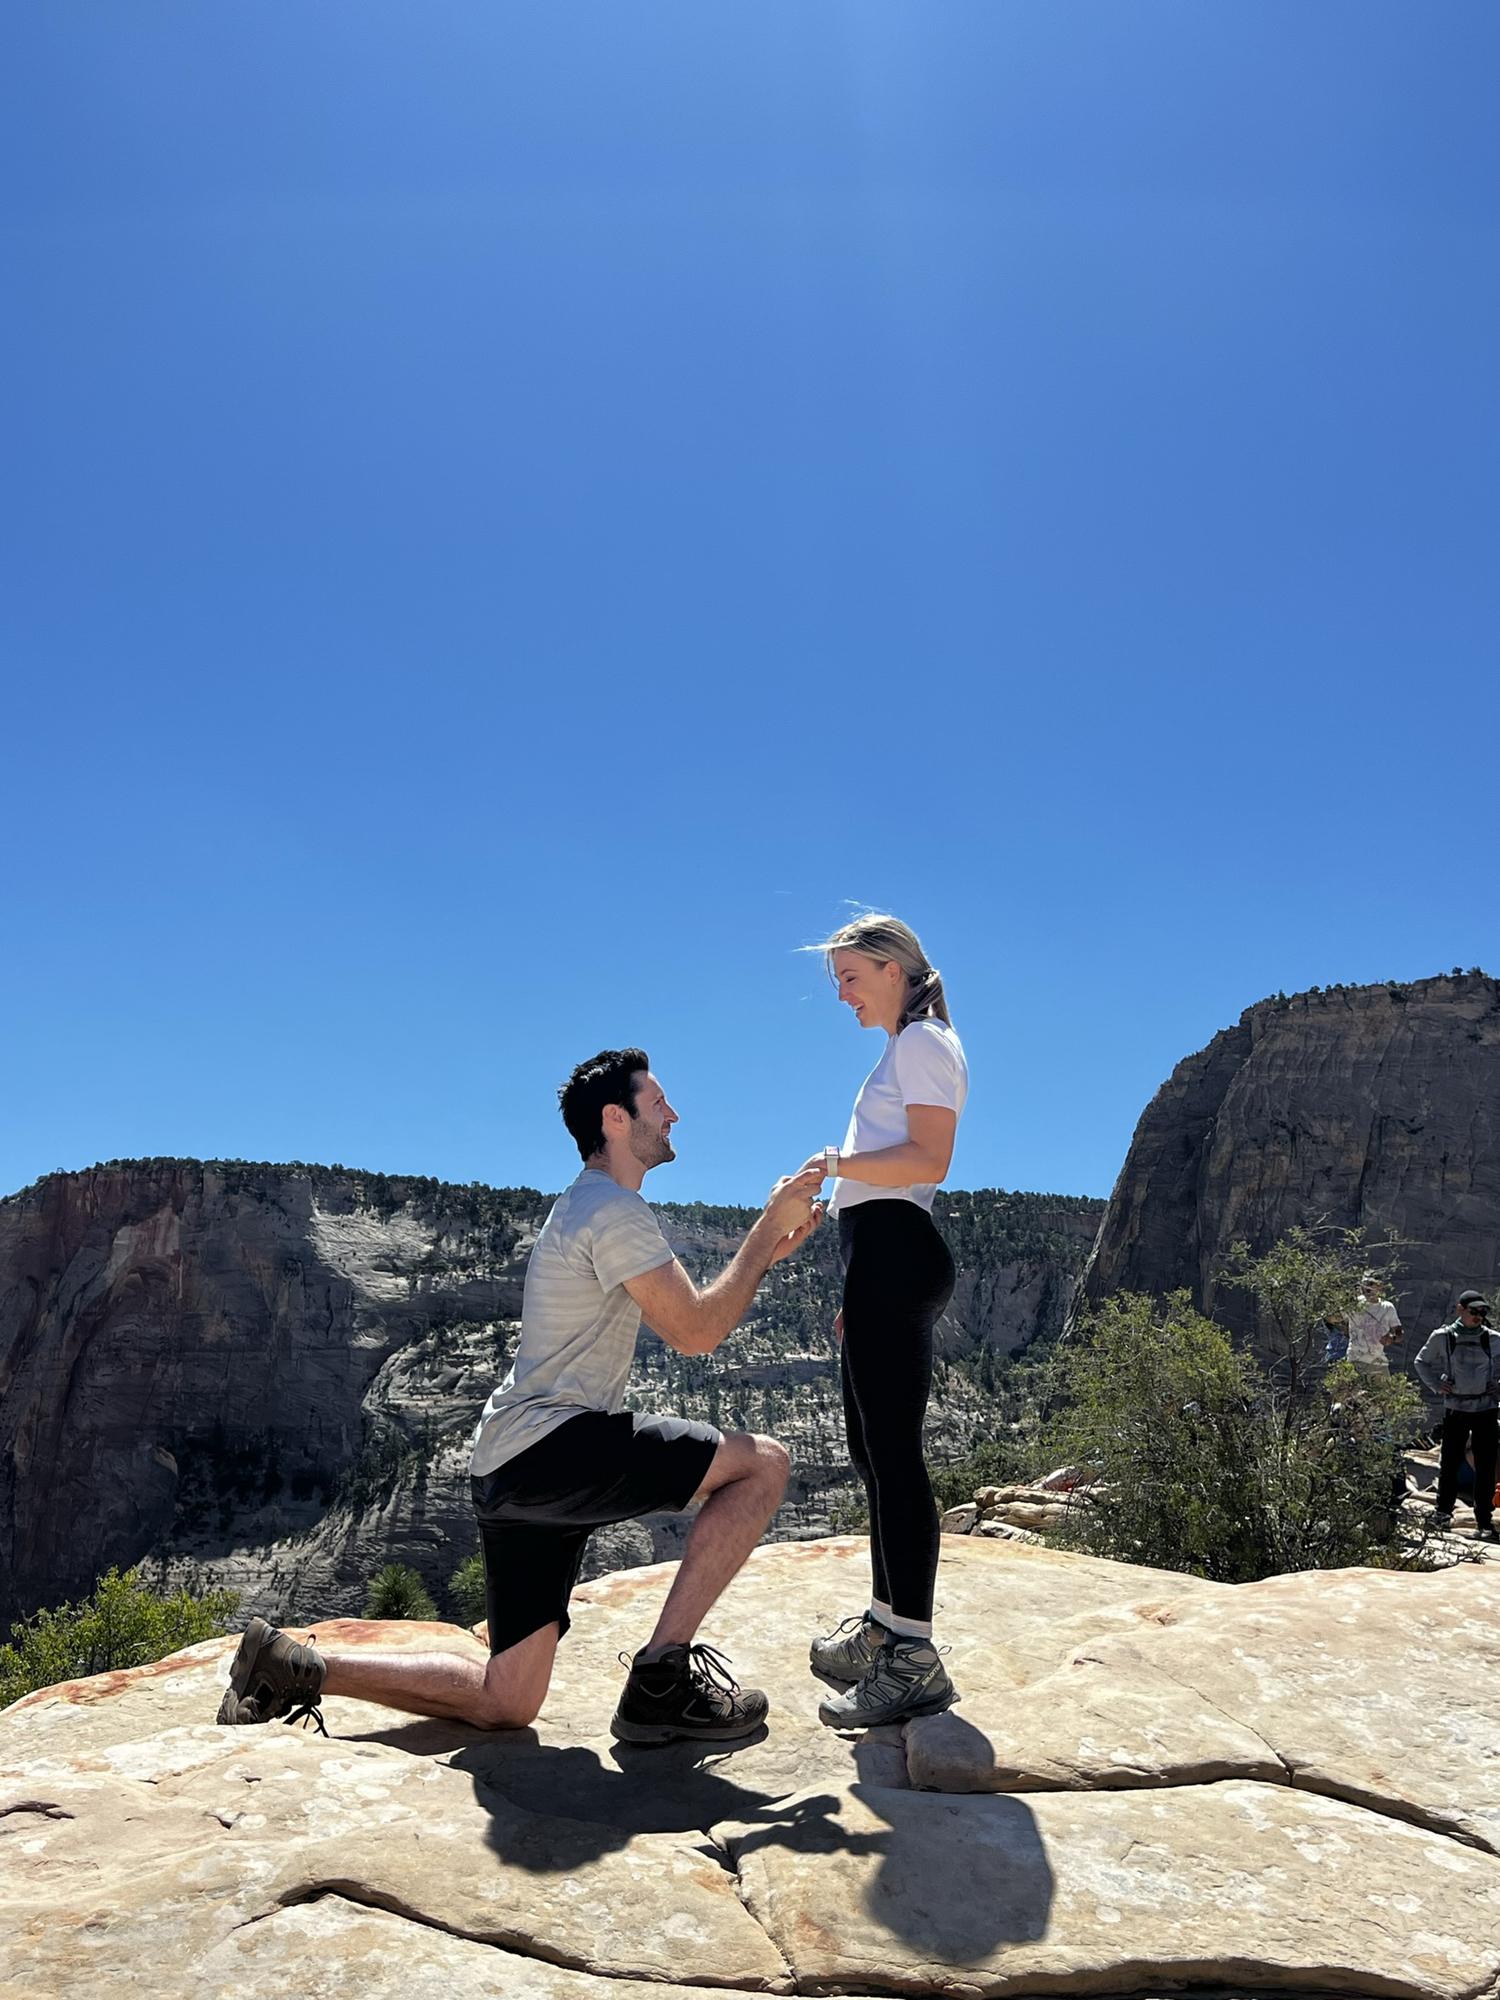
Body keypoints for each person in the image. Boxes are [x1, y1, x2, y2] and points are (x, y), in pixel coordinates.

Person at [217, 1048, 824, 1742]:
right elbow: (696, 1331)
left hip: (510, 1464)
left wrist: (765, 1257)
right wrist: (765, 1229)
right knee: (764, 1462)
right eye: (658, 1103)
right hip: (553, 1450)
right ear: (616, 1119)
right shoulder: (613, 1211)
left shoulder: (584, 1205)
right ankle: (661, 1676)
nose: (673, 1114)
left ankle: (292, 1665)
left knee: (507, 1700)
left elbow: (693, 1317)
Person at [798, 914, 969, 1729]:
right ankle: (885, 1624)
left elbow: (929, 1161)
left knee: (893, 1455)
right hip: (880, 1256)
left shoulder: (924, 1043)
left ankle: (913, 1657)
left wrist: (834, 1166)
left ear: (893, 968)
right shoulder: (908, 1046)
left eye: (849, 977)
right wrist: (855, 1286)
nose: (841, 994)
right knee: (873, 1452)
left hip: (896, 1250)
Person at [1413, 1289, 1500, 1542]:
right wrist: (1436, 1386)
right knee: (1449, 1464)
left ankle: (1484, 1522)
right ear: (1460, 1309)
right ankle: (1442, 1515)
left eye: (1482, 1312)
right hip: (1456, 1409)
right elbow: (1421, 1361)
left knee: (1485, 1467)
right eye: (1474, 1311)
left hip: (1485, 1409)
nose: (1479, 1316)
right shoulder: (1443, 1337)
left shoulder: (1493, 1338)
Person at [1346, 1273, 1403, 1377]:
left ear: (1380, 1286)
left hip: (1378, 1361)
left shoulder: (1387, 1308)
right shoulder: (1354, 1305)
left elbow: (1399, 1332)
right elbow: (1333, 1319)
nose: (1367, 1288)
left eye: (1371, 1284)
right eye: (1365, 1285)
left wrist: (1392, 1338)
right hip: (1357, 1359)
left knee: (1385, 1392)